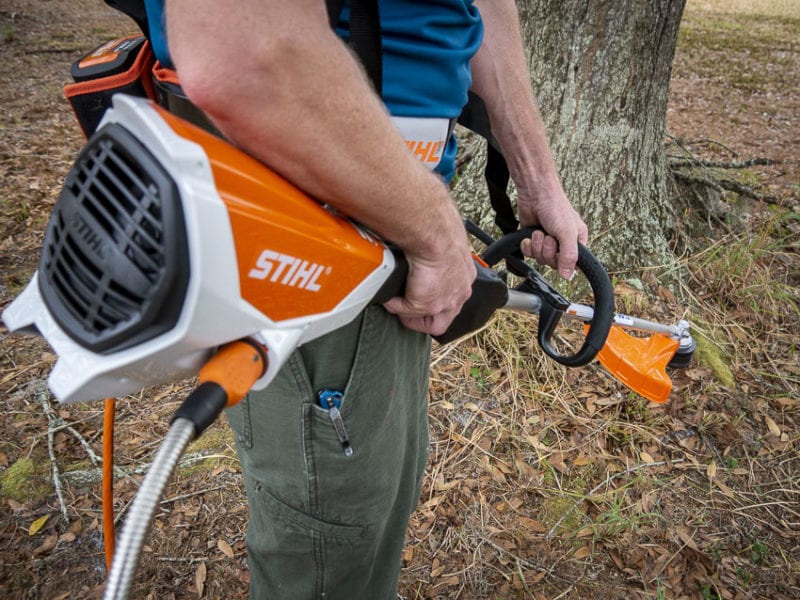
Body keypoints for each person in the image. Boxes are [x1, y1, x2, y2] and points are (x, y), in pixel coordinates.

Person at [142, 0, 588, 597]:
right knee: (329, 543)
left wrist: (535, 176)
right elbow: (244, 48)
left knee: (371, 508)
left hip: (392, 233)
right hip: (303, 239)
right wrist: (433, 234)